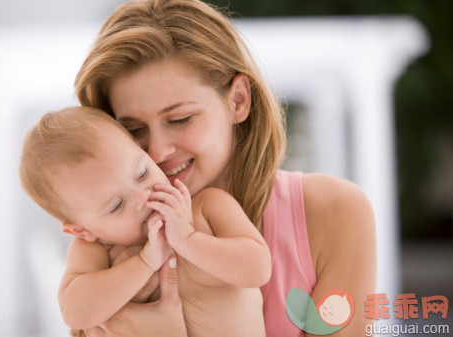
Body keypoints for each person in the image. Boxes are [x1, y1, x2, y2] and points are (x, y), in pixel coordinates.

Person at [74, 0, 377, 336]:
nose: (157, 153)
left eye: (180, 119)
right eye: (133, 130)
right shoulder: (106, 247)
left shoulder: (331, 213)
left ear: (238, 101)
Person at [19, 106, 271, 337]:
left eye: (142, 173)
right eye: (116, 205)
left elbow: (258, 269)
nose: (144, 197)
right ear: (82, 230)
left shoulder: (208, 206)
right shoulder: (94, 248)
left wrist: (188, 239)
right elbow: (75, 313)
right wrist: (144, 263)